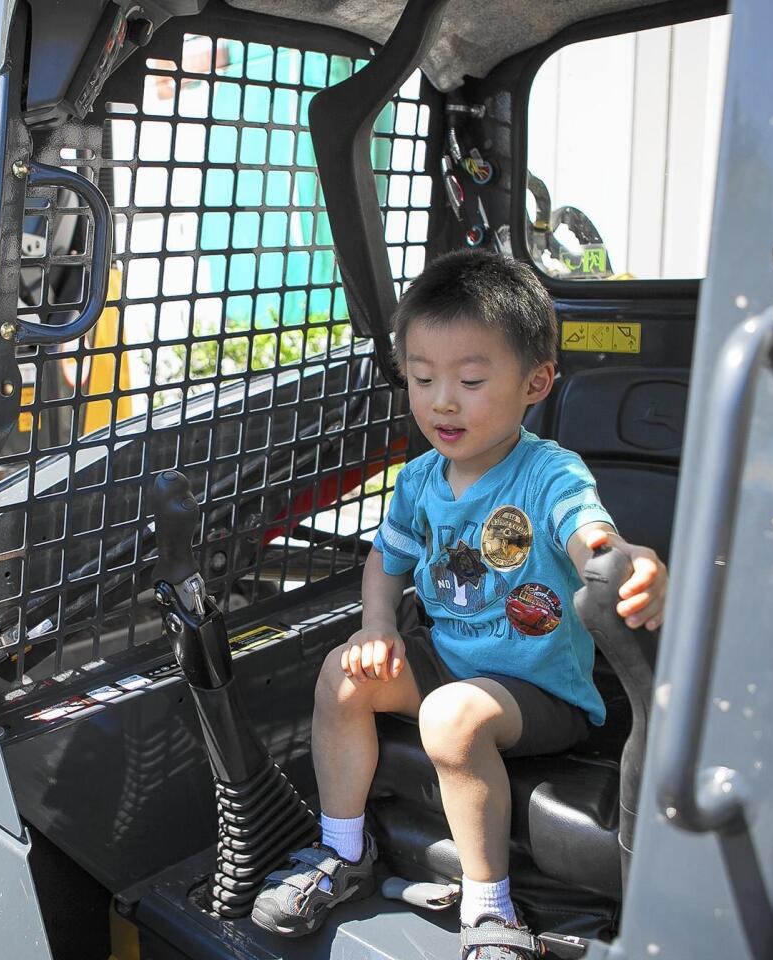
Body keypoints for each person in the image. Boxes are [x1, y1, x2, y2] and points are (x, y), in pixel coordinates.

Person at [250, 250, 668, 957]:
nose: (442, 401)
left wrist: (629, 564)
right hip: (449, 660)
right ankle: (343, 851)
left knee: (450, 715)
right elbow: (386, 559)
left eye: (471, 381)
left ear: (536, 383)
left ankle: (490, 910)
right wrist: (377, 626)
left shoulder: (549, 473)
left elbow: (591, 539)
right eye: (422, 378)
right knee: (341, 676)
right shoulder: (419, 482)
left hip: (538, 690)